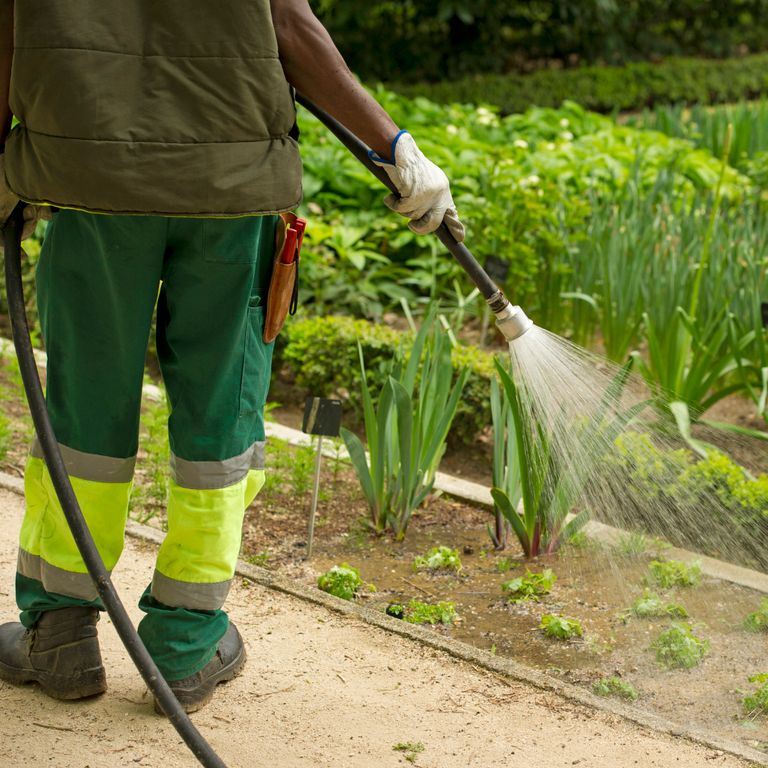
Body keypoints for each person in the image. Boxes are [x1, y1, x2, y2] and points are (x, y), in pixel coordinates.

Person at [0, 0, 464, 713]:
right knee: (219, 415)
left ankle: (59, 633)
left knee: (84, 410)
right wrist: (394, 145)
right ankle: (185, 648)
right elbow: (286, 23)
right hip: (231, 180)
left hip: (88, 172)